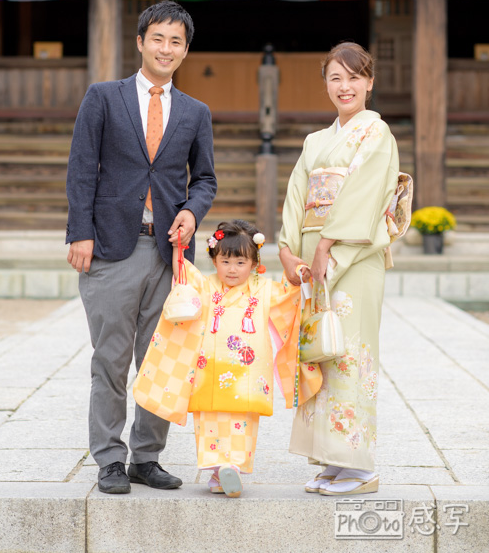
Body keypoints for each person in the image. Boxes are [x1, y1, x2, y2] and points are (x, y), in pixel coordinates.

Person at [66, 0, 217, 494]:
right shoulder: (103, 98)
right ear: (140, 42)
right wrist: (80, 232)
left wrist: (192, 212)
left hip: (168, 256)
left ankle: (146, 457)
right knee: (110, 359)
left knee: (161, 361)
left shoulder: (195, 112)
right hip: (111, 247)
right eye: (159, 38)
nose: (166, 48)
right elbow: (83, 167)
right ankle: (110, 457)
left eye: (176, 41)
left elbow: (205, 179)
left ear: (185, 50)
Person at [279, 41, 400, 496]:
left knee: (349, 354)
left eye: (354, 77)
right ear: (326, 84)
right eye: (335, 77)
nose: (344, 86)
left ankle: (359, 466)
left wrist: (328, 247)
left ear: (369, 82)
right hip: (316, 262)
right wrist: (290, 251)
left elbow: (365, 196)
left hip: (354, 258)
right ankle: (331, 459)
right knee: (319, 353)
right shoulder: (316, 141)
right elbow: (297, 196)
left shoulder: (377, 135)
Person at [133, 219, 322, 497]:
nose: (232, 269)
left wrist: (300, 275)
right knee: (210, 422)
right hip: (210, 370)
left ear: (255, 263)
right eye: (225, 261)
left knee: (242, 423)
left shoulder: (264, 288)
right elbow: (183, 273)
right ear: (214, 259)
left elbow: (290, 295)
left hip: (247, 376)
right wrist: (179, 248)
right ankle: (218, 472)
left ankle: (229, 469)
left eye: (240, 263)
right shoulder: (206, 286)